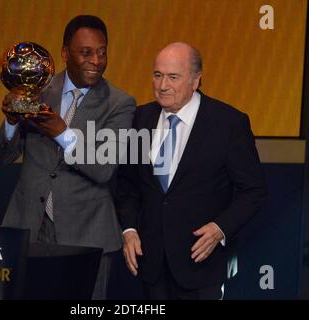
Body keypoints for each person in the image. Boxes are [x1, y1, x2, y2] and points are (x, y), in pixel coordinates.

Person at [0, 15, 136, 299]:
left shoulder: (120, 103)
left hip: (88, 236)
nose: (96, 60)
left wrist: (61, 132)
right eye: (86, 52)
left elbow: (104, 169)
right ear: (64, 53)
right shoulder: (38, 89)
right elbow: (3, 156)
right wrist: (11, 121)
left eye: (102, 51)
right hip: (29, 229)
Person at [115, 42, 267, 300]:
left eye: (173, 77)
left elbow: (253, 191)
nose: (162, 86)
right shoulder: (139, 119)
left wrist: (220, 228)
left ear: (195, 81)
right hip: (150, 266)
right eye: (157, 75)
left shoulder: (229, 124)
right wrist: (128, 230)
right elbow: (127, 186)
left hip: (201, 267)